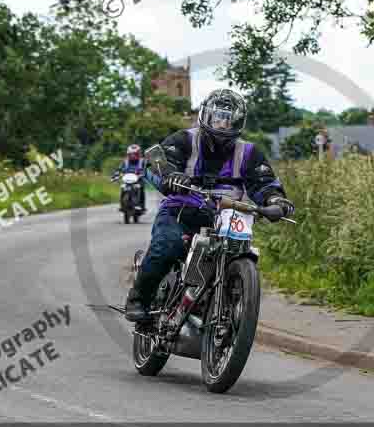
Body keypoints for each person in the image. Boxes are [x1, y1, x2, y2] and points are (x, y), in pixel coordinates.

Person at [124, 89, 295, 322]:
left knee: (238, 252)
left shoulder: (249, 153)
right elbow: (159, 163)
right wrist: (172, 176)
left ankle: (224, 303)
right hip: (181, 210)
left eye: (228, 119)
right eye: (218, 117)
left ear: (238, 122)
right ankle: (138, 298)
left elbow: (264, 183)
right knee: (168, 244)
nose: (222, 124)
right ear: (206, 116)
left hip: (224, 218)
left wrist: (276, 201)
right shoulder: (183, 139)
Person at [112, 144, 147, 211]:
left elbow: (146, 169)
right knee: (122, 188)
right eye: (131, 154)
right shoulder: (125, 162)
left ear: (138, 154)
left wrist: (144, 174)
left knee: (141, 189)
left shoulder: (142, 161)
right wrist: (115, 176)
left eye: (135, 154)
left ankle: (141, 205)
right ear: (128, 154)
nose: (133, 156)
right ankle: (122, 205)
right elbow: (119, 169)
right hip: (127, 180)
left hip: (138, 180)